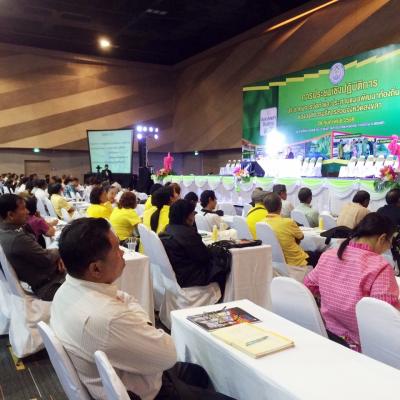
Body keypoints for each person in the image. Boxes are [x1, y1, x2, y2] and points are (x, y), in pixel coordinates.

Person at [51, 218, 233, 400]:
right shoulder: (107, 317)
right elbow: (169, 354)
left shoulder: (65, 291)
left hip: (124, 374)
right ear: (96, 269)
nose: (122, 252)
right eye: (116, 249)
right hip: (147, 392)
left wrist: (129, 310)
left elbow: (125, 298)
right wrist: (135, 314)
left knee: (197, 372)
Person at [304, 213, 399, 350]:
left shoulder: (328, 255)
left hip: (329, 335)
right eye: (390, 243)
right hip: (365, 346)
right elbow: (386, 316)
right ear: (382, 238)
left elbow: (308, 285)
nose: (388, 248)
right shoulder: (380, 267)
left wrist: (331, 296)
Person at [0, 194, 65, 300]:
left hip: (48, 277)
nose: (28, 211)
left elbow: (42, 254)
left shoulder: (8, 232)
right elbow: (47, 258)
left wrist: (58, 257)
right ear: (10, 215)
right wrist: (60, 252)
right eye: (23, 208)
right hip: (51, 284)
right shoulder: (16, 239)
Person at [160, 199, 228, 291]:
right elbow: (205, 257)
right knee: (224, 266)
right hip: (190, 277)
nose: (194, 216)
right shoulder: (187, 234)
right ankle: (226, 297)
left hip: (177, 275)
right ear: (187, 216)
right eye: (193, 213)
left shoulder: (167, 229)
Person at [264, 193, 319, 279]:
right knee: (316, 254)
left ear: (265, 207)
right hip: (295, 261)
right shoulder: (288, 222)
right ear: (280, 206)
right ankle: (312, 282)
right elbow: (301, 237)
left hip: (276, 261)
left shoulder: (262, 223)